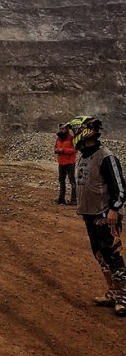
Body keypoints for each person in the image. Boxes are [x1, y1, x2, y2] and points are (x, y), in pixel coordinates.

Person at [67, 116, 126, 317]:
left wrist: (113, 210)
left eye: (75, 132)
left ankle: (123, 297)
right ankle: (112, 292)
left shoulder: (106, 157)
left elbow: (120, 188)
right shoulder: (84, 156)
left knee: (113, 255)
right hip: (90, 214)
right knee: (100, 255)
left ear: (85, 132)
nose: (73, 136)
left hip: (105, 215)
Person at [54, 124, 77, 205]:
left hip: (70, 163)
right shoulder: (58, 138)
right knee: (61, 181)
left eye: (63, 128)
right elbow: (55, 148)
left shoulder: (71, 138)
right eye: (60, 128)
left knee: (72, 181)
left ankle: (74, 200)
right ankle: (61, 198)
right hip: (61, 163)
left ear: (67, 129)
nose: (61, 130)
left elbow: (74, 150)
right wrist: (57, 150)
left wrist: (63, 150)